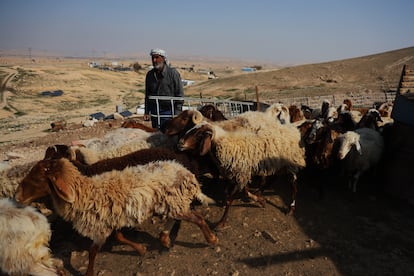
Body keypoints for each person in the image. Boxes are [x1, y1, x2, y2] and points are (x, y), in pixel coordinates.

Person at [144, 48, 184, 129]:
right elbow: (147, 94)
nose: (154, 60)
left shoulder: (173, 73)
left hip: (169, 110)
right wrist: (146, 111)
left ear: (163, 58)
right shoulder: (150, 75)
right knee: (156, 135)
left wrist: (177, 114)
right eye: (153, 58)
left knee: (167, 135)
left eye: (157, 57)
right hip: (154, 111)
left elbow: (179, 94)